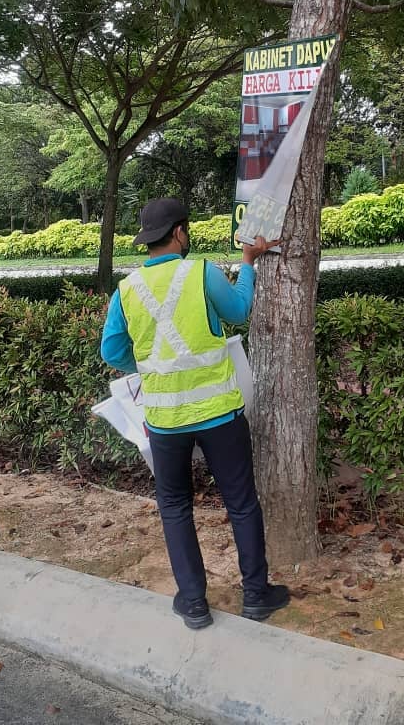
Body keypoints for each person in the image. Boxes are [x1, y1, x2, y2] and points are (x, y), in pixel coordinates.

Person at [100, 197, 290, 630]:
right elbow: (239, 310)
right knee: (241, 504)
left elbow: (112, 351)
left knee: (174, 507)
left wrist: (150, 364)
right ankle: (257, 595)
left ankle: (193, 602)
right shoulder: (200, 272)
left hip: (165, 423)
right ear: (181, 233)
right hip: (219, 415)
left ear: (147, 240)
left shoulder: (126, 290)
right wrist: (249, 262)